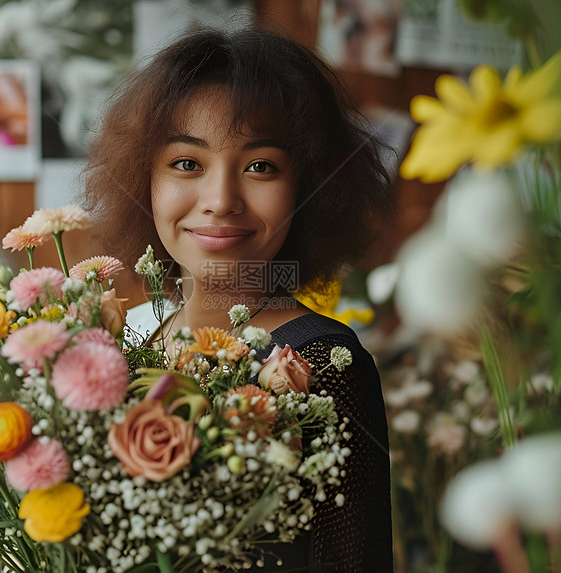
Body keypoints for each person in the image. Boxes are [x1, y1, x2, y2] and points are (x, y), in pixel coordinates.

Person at [83, 27, 393, 572]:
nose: (221, 200)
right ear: (143, 178)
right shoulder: (125, 340)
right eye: (186, 163)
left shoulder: (321, 363)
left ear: (309, 185)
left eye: (260, 166)